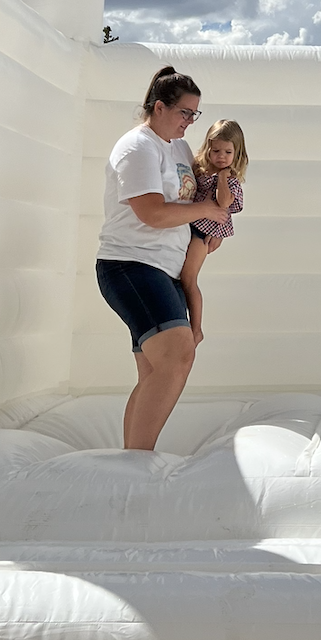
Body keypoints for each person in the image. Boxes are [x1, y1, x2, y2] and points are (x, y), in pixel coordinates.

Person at [95, 65, 225, 451]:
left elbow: (186, 204)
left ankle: (132, 459)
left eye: (194, 114)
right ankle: (138, 462)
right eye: (185, 112)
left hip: (163, 270)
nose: (190, 121)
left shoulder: (178, 148)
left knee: (155, 371)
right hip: (131, 265)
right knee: (178, 355)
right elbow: (151, 212)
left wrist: (205, 231)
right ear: (159, 107)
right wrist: (205, 212)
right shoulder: (137, 148)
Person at [179, 119, 248, 346]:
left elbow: (223, 201)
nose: (221, 156)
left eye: (227, 152)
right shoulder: (201, 170)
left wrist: (222, 177)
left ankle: (196, 328)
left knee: (188, 278)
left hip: (202, 232)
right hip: (189, 224)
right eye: (215, 150)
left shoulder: (230, 180)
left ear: (236, 154)